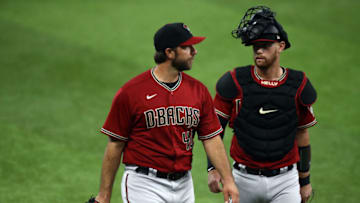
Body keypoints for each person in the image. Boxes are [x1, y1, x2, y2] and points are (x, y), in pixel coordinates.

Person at [93, 22, 239, 203]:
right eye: (187, 47)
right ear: (169, 52)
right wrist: (104, 196)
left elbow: (211, 138)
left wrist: (228, 180)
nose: (194, 51)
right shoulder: (131, 93)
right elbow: (115, 144)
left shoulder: (198, 91)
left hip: (184, 184)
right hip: (144, 184)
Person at [207, 6, 317, 203]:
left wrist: (305, 181)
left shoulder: (299, 85)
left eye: (265, 45)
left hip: (286, 181)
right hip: (242, 179)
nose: (259, 50)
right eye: (255, 46)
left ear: (281, 46)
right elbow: (214, 130)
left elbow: (302, 134)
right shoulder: (234, 81)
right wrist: (213, 169)